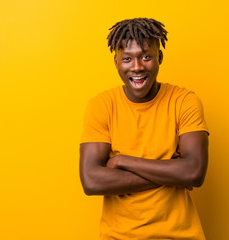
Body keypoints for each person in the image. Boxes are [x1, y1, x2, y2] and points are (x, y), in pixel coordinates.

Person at [79, 18, 209, 240]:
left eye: (146, 57)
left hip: (180, 236)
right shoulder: (101, 106)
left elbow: (194, 173)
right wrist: (173, 172)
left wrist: (122, 161)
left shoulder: (184, 101)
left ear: (159, 57)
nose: (137, 67)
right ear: (116, 61)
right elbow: (91, 181)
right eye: (127, 59)